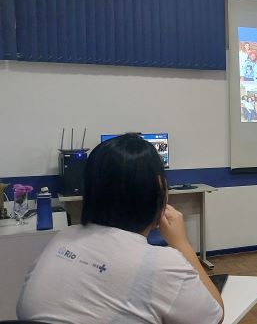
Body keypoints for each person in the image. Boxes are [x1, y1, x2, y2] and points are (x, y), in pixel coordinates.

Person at [17, 134, 223, 324]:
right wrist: (181, 244)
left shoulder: (62, 238)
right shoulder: (163, 264)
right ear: (159, 190)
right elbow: (215, 316)